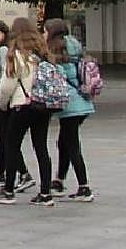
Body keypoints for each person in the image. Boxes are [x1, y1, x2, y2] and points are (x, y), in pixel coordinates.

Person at [0, 17, 54, 206]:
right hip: (43, 105)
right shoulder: (43, 52)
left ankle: (8, 190)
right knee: (41, 147)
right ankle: (46, 192)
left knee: (11, 144)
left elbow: (8, 85)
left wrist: (1, 102)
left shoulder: (17, 54)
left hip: (23, 105)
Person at [45, 18, 95, 202]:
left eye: (45, 31)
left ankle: (84, 186)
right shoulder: (75, 44)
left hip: (70, 104)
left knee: (72, 145)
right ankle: (59, 180)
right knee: (64, 141)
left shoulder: (57, 50)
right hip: (82, 101)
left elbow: (60, 76)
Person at [0, 19, 32, 191]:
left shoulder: (4, 51)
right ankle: (2, 171)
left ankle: (22, 172)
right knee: (4, 139)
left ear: (5, 34)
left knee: (7, 139)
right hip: (3, 98)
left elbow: (5, 75)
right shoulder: (1, 50)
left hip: (4, 99)